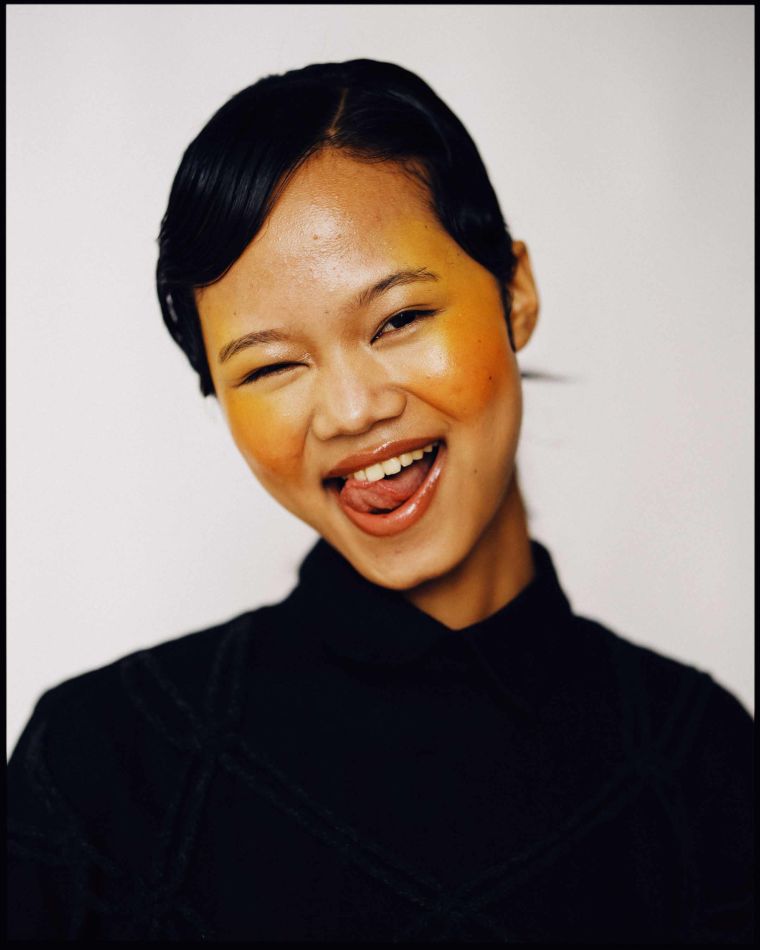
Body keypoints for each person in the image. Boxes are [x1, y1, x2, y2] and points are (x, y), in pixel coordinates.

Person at [7, 59, 753, 943]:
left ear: (515, 293)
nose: (353, 411)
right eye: (271, 366)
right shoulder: (100, 766)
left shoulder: (700, 760)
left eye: (399, 319)